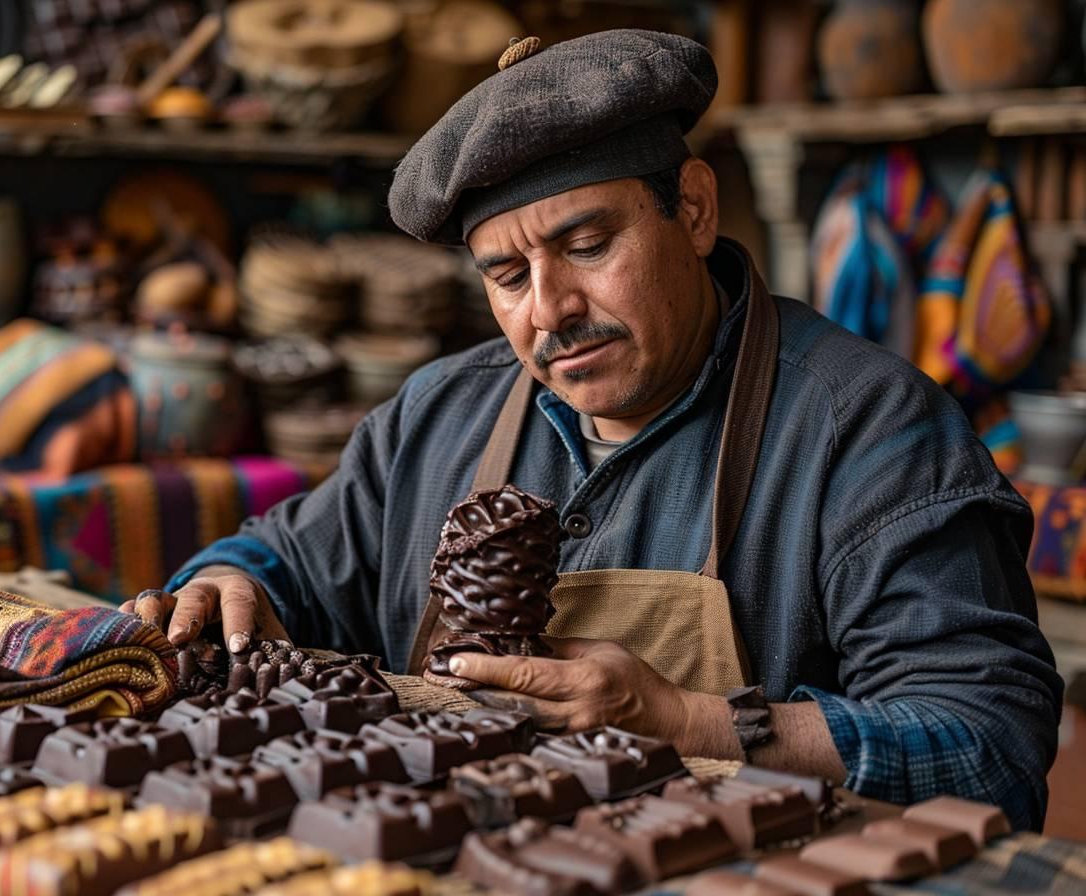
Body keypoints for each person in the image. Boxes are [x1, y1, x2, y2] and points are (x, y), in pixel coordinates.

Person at [124, 30, 1062, 829]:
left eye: (587, 246)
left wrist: (692, 724)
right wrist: (226, 583)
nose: (551, 310)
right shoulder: (436, 415)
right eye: (507, 277)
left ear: (692, 209)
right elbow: (279, 562)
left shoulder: (868, 430)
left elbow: (990, 744)